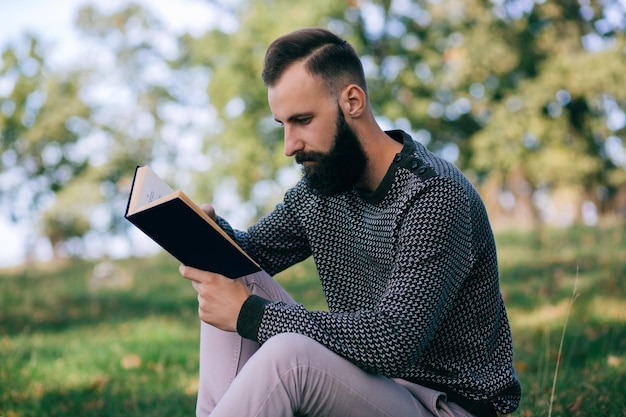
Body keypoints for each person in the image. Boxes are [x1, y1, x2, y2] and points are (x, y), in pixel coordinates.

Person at [179, 27, 521, 417]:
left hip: (445, 407)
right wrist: (206, 233)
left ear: (352, 101)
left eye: (302, 120)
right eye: (283, 125)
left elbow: (392, 341)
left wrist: (252, 315)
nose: (289, 146)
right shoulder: (324, 186)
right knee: (228, 275)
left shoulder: (434, 195)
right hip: (368, 385)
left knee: (290, 357)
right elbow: (251, 255)